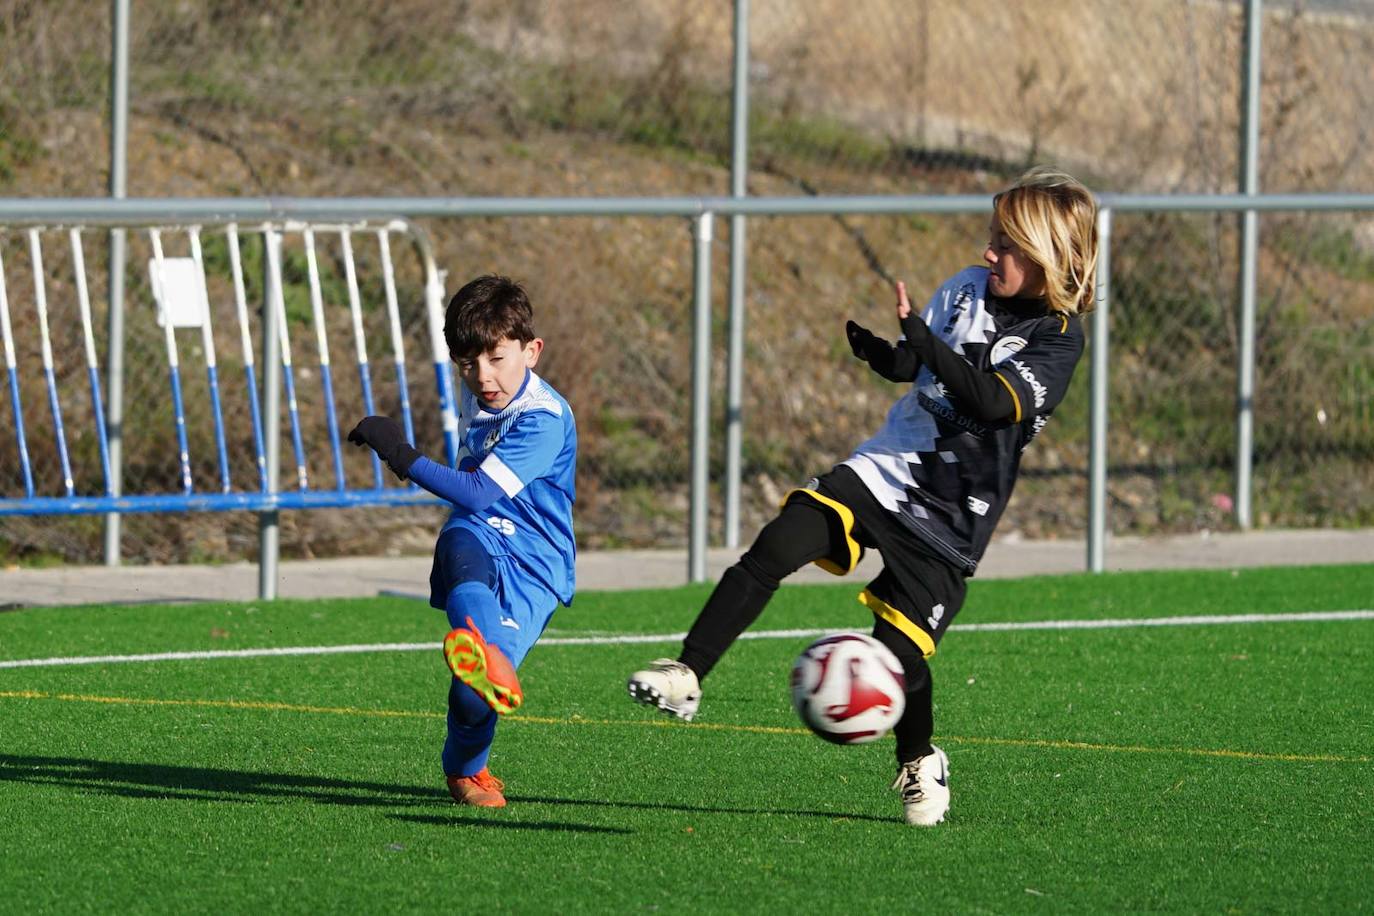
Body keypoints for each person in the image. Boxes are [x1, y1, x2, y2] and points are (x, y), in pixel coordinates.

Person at [627, 166, 1099, 826]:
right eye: (991, 237)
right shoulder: (966, 288)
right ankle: (688, 671)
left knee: (899, 657)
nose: (989, 252)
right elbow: (917, 364)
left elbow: (991, 401)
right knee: (780, 539)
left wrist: (925, 345)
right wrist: (885, 354)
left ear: (1049, 254)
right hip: (886, 468)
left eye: (1007, 244)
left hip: (950, 519)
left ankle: (918, 757)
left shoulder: (1057, 340)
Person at [348, 274, 576, 809]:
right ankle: (484, 653)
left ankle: (465, 761)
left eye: (497, 359)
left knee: (476, 696)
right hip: (478, 536)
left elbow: (475, 491)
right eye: (468, 364)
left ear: (532, 351)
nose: (483, 376)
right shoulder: (484, 388)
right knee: (458, 545)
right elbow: (473, 510)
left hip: (534, 564)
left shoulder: (543, 420)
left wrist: (399, 454)